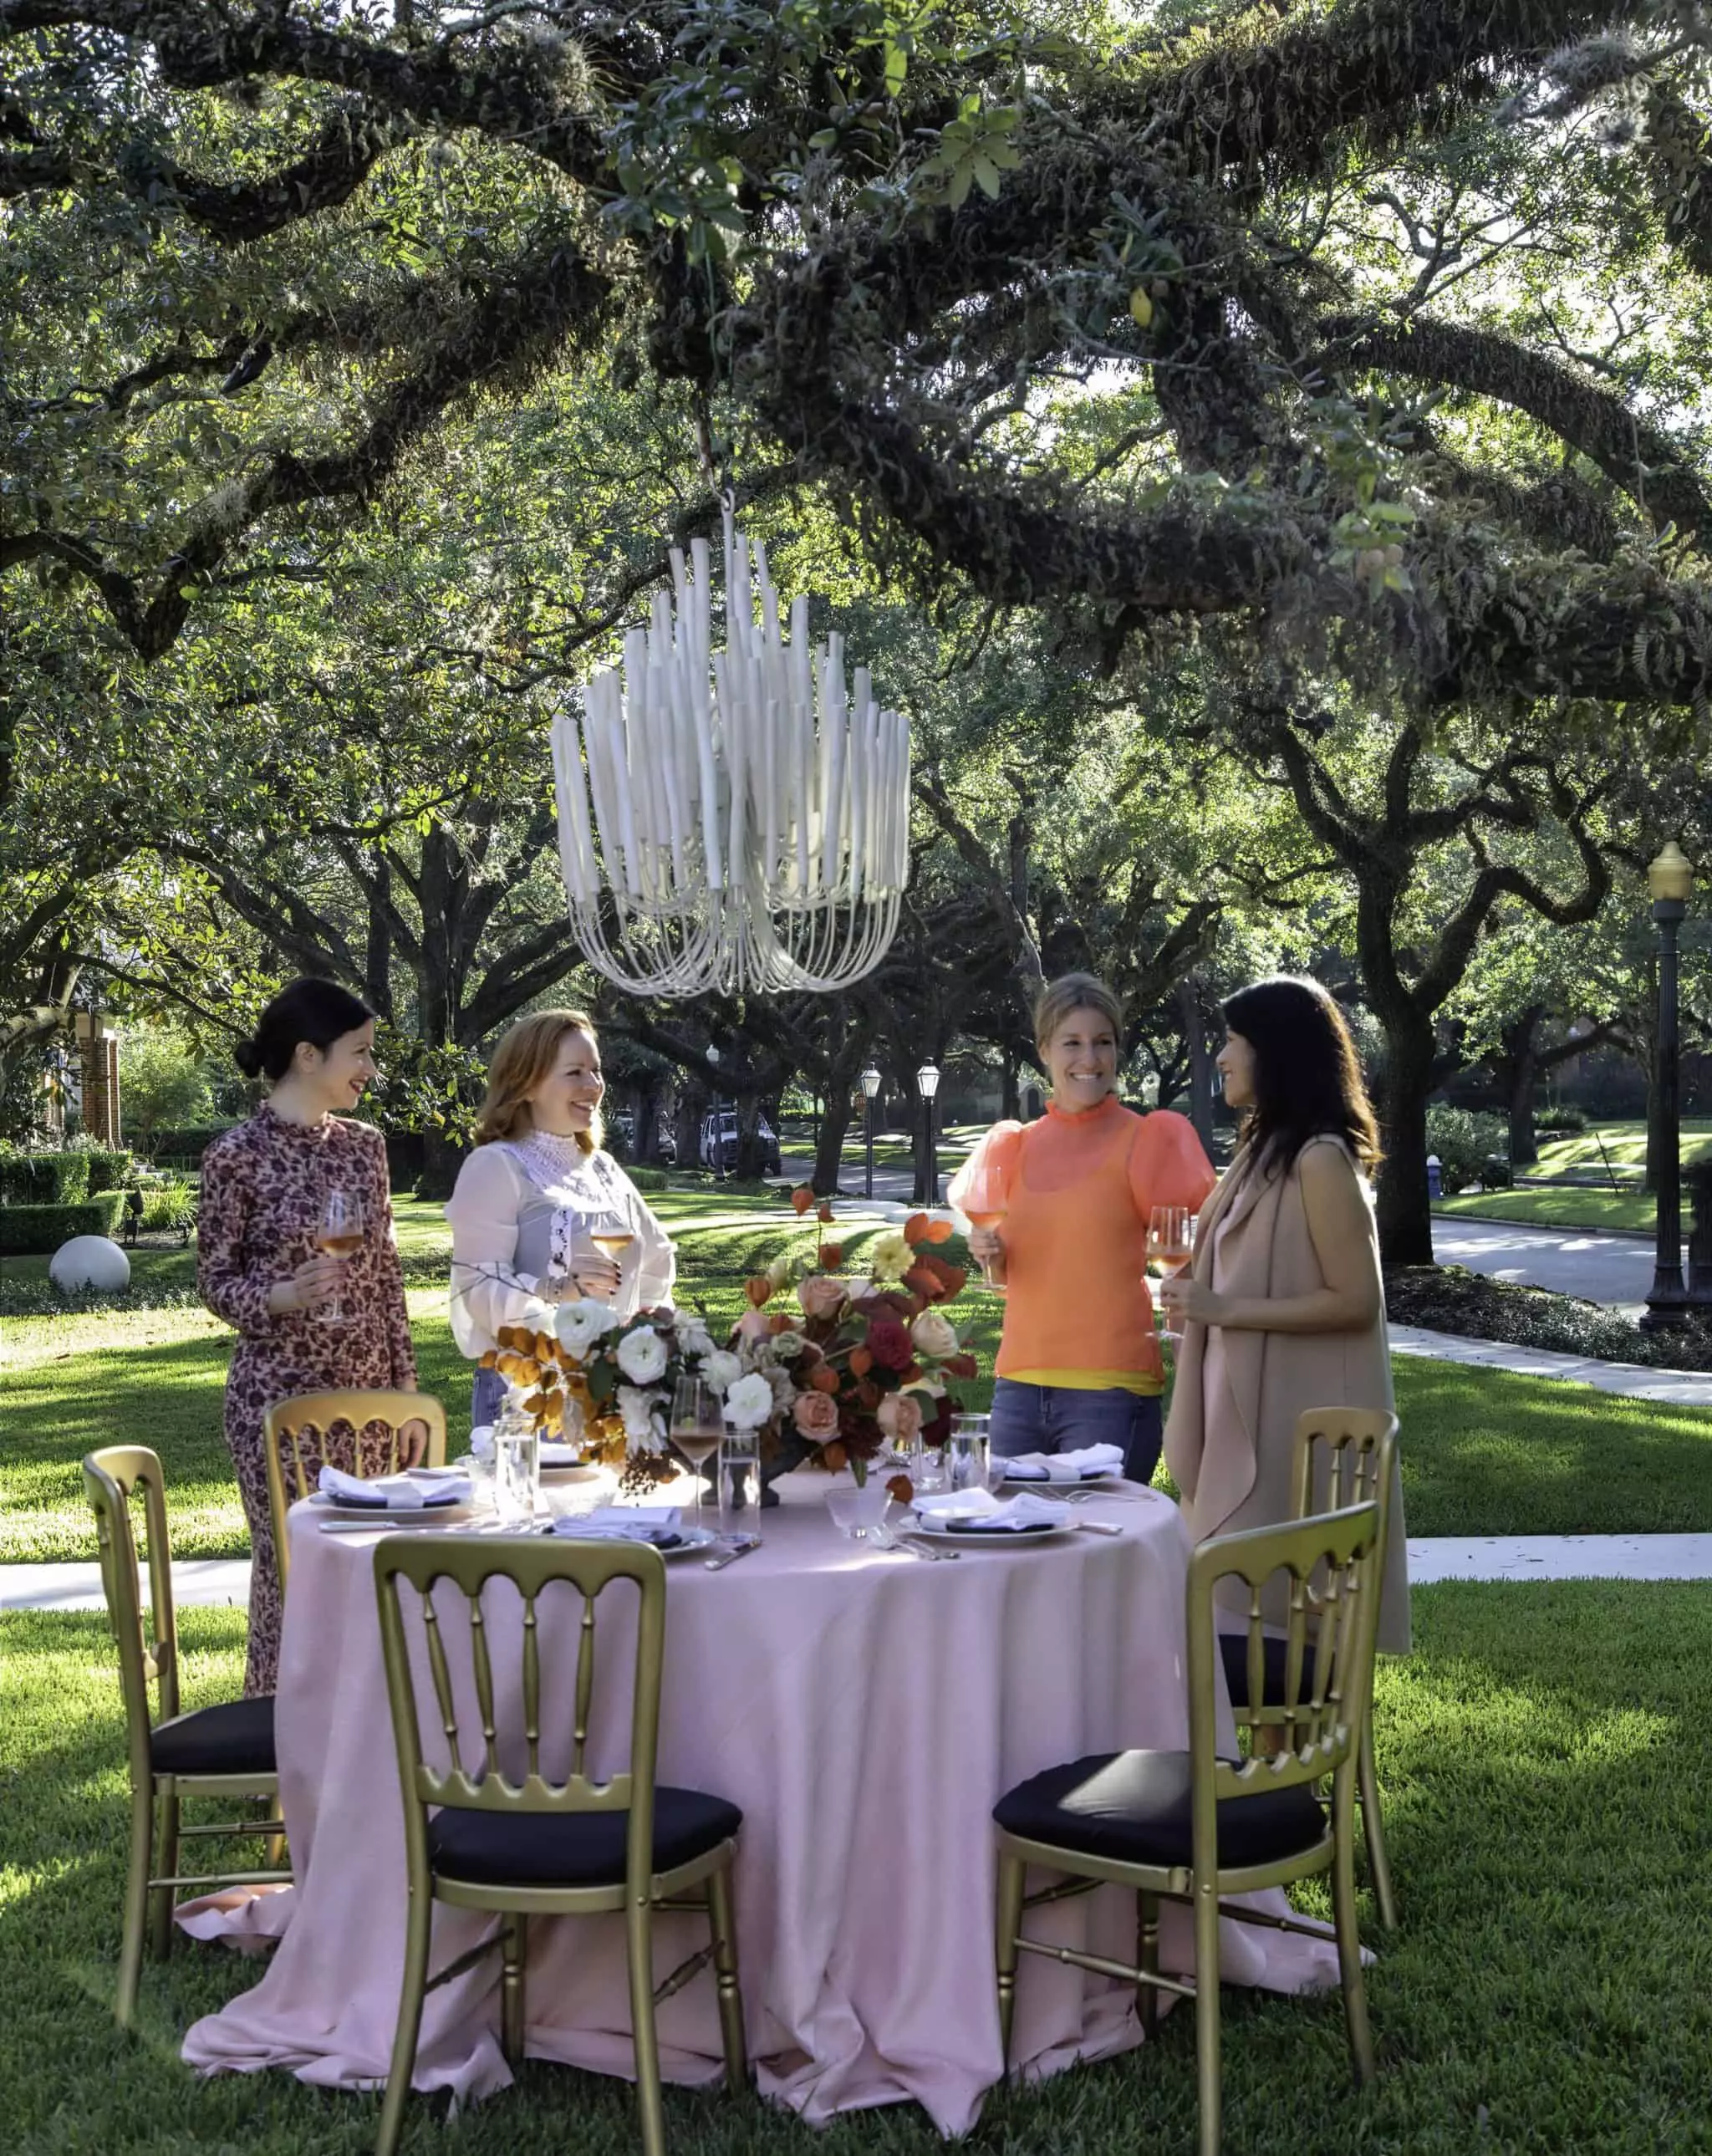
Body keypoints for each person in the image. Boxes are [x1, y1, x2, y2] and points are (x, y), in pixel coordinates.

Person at [1160, 976, 1409, 1651]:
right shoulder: (1259, 1152)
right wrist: (1198, 1324)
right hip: (1247, 1412)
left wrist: (1223, 1308)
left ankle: (1275, 1755)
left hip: (1287, 1429)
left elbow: (1356, 1300)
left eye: (1233, 1039)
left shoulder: (1321, 1159)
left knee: (1275, 1629)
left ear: (1275, 1049)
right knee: (1231, 1619)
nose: (1221, 1055)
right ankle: (1254, 1758)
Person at [198, 980, 422, 1696]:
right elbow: (215, 1280)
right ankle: (283, 1752)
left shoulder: (366, 1148)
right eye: (359, 1052)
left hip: (366, 1405)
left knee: (372, 1573)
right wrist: (280, 1296)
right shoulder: (233, 1155)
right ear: (306, 1054)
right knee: (292, 1575)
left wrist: (405, 1393)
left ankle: (372, 1750)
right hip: (278, 1404)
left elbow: (385, 1276)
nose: (371, 1069)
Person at [954, 973, 1217, 1485]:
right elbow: (1013, 1272)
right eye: (1072, 1043)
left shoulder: (1150, 1140)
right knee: (1010, 1542)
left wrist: (1195, 1379)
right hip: (1018, 1385)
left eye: (1103, 1042)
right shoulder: (1015, 1145)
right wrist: (988, 1250)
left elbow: (1186, 1269)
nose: (1090, 1059)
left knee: (1096, 1548)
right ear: (1045, 1049)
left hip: (1112, 1388)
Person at [446, 1008, 676, 1427]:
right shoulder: (495, 1166)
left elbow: (657, 1257)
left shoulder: (603, 1168)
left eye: (596, 1070)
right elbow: (475, 1288)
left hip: (615, 1394)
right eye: (575, 1072)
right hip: (530, 1399)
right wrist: (556, 1290)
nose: (594, 1086)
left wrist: (645, 1334)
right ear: (527, 1083)